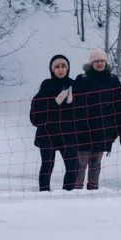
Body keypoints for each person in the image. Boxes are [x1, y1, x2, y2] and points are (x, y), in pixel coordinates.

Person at [71, 48, 121, 190]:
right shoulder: (82, 79)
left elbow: (118, 105)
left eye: (102, 61)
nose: (100, 63)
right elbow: (74, 105)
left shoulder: (113, 80)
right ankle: (76, 190)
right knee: (81, 162)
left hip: (103, 128)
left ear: (106, 62)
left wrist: (114, 129)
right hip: (83, 128)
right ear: (91, 63)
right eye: (96, 61)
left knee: (96, 162)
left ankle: (93, 189)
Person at [29, 54, 77, 191]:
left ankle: (68, 193)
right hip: (48, 134)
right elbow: (35, 112)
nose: (60, 70)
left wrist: (72, 102)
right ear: (52, 69)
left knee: (73, 165)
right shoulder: (46, 85)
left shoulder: (74, 84)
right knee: (47, 164)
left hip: (68, 134)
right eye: (57, 67)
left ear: (68, 69)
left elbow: (81, 111)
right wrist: (54, 102)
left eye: (63, 66)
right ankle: (44, 193)